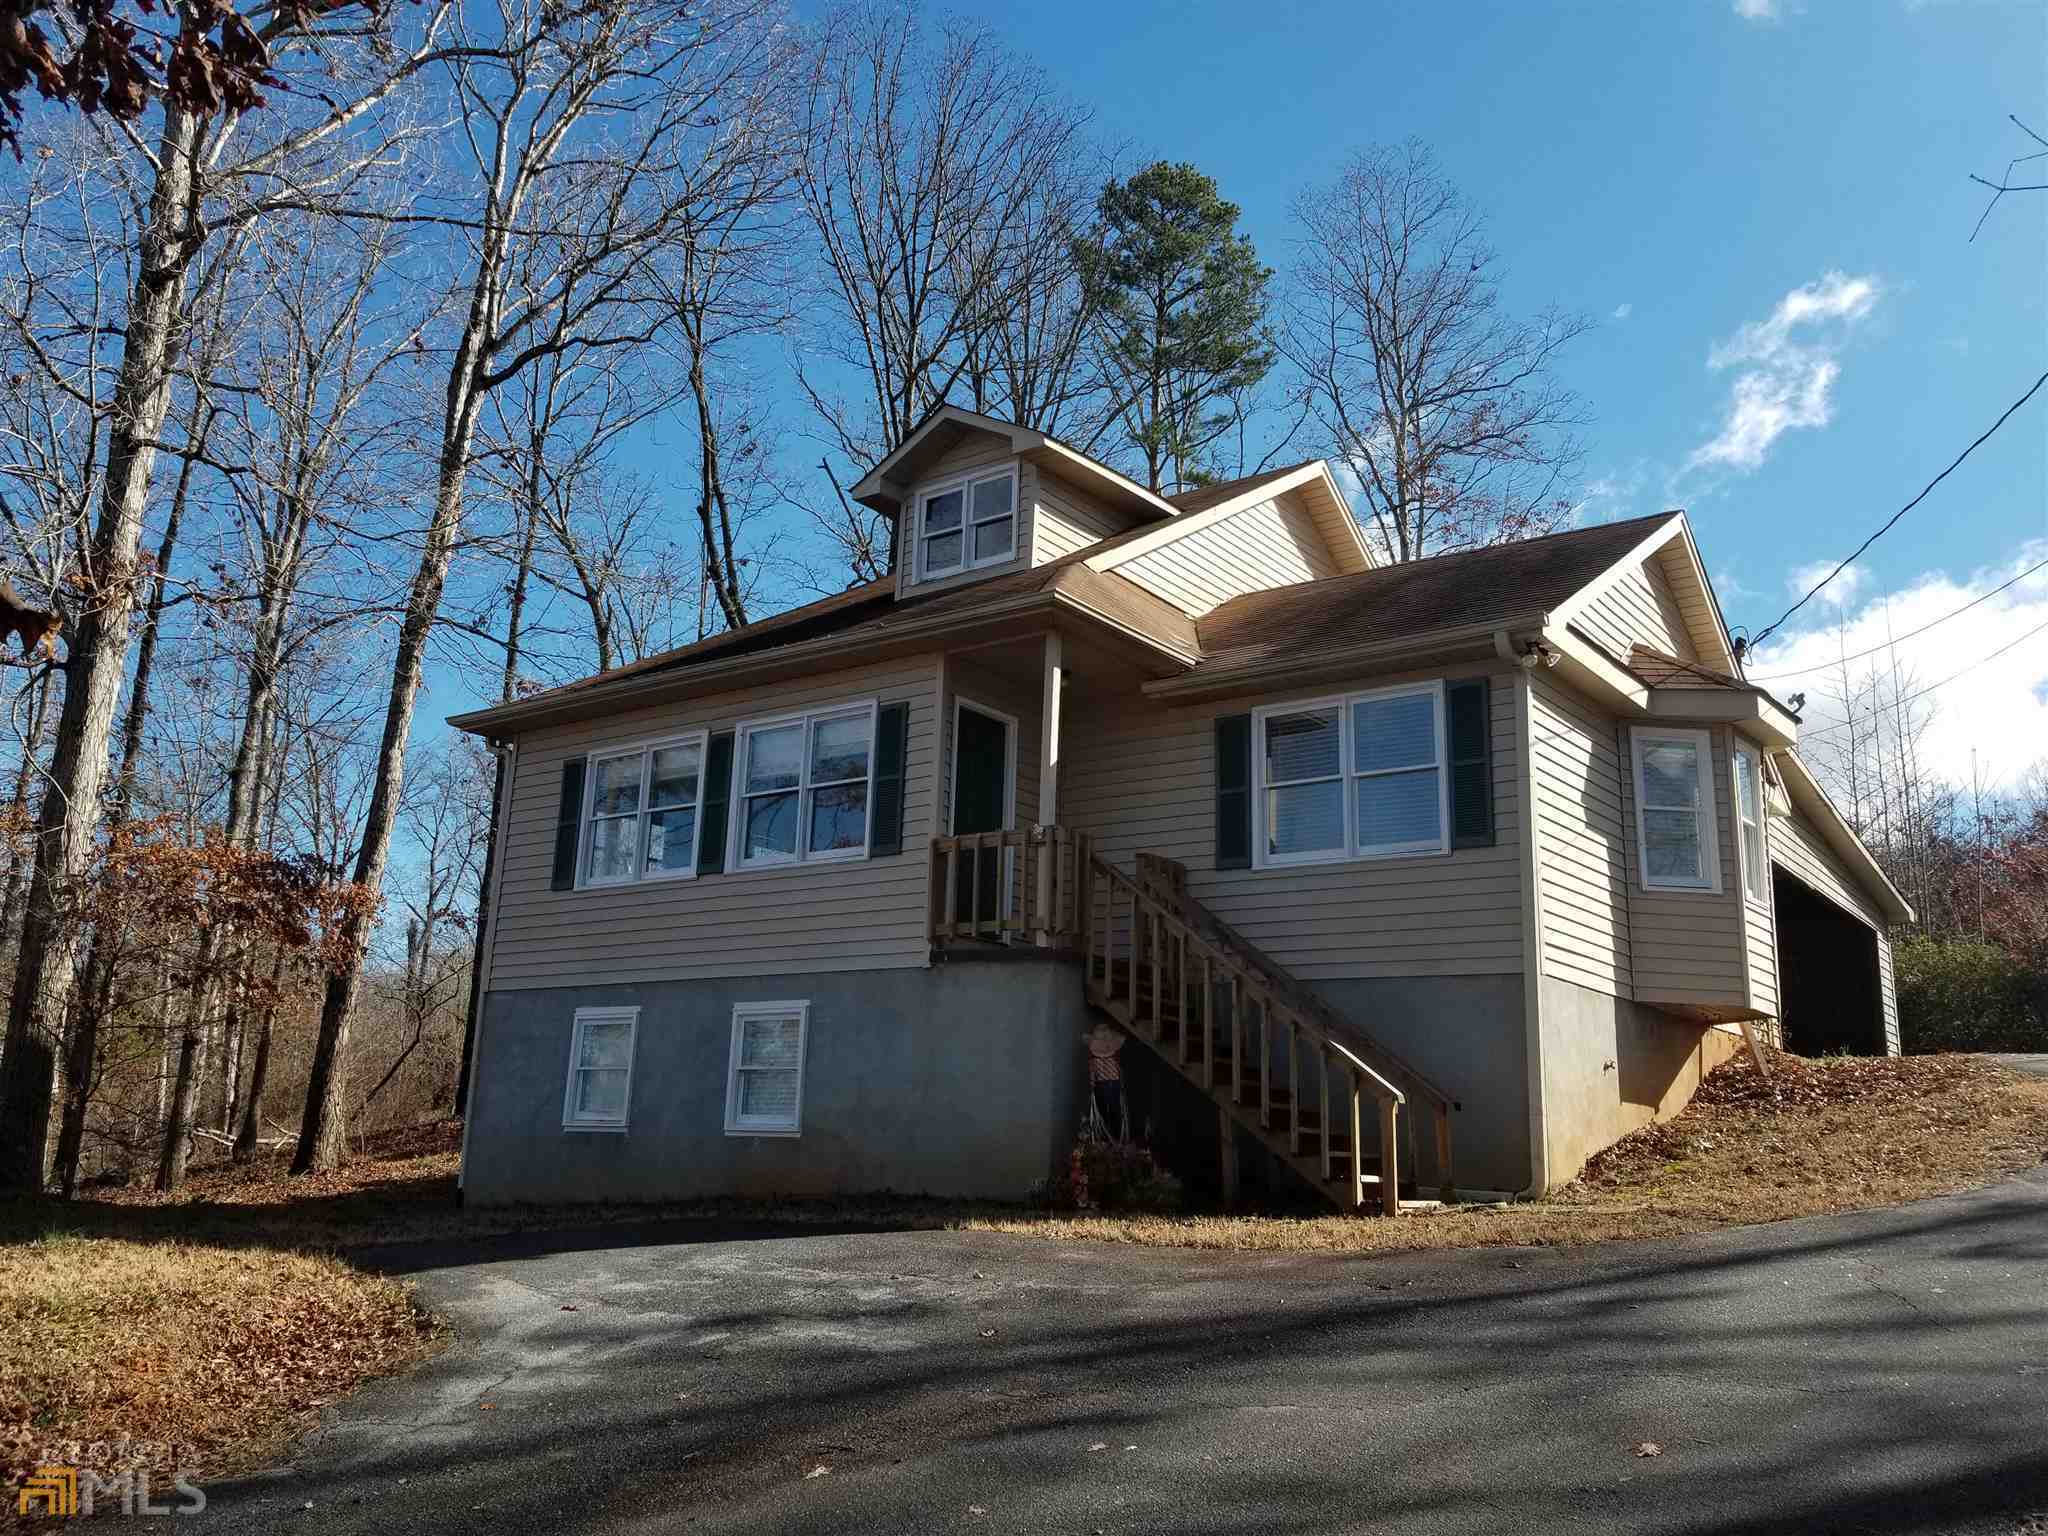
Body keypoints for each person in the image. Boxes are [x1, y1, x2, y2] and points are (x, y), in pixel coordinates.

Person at [1087, 1021, 1126, 1141]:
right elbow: (1120, 1071)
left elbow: (1092, 1076)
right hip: (1114, 1084)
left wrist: (1092, 1086)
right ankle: (1116, 1137)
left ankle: (1107, 1137)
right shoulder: (1115, 1057)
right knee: (1115, 1110)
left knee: (1103, 1111)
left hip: (1102, 1085)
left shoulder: (1093, 1059)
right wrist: (1121, 1085)